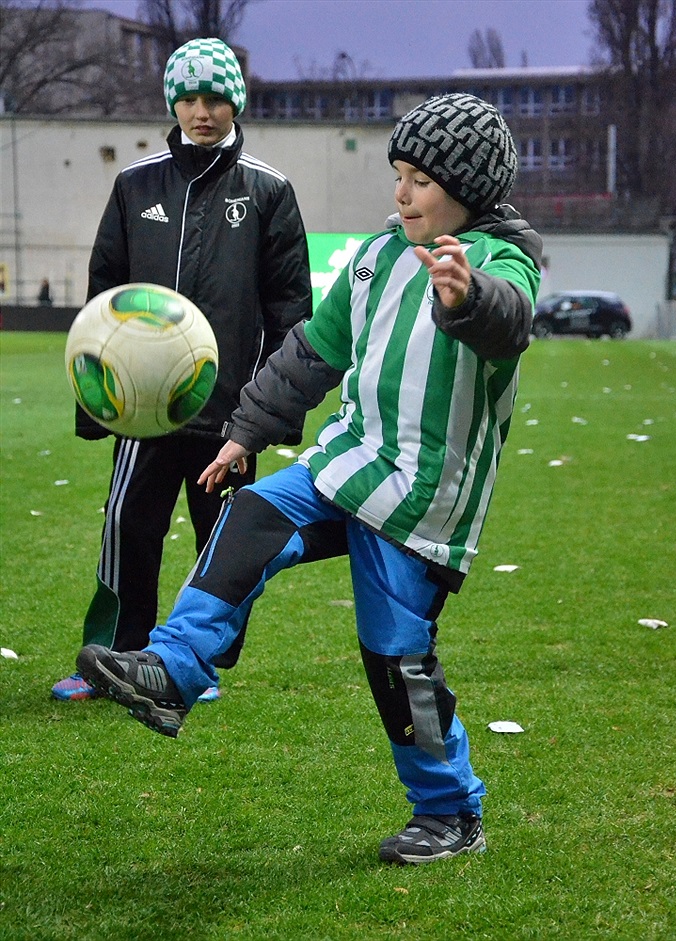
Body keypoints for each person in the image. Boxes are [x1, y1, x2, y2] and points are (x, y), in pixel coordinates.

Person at [77, 93, 542, 865]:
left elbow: (510, 319)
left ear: (470, 187)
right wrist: (243, 432)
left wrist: (466, 297)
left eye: (420, 180)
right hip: (345, 463)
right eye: (397, 174)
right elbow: (308, 356)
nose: (401, 193)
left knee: (395, 655)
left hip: (420, 497)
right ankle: (174, 667)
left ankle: (451, 812)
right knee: (254, 508)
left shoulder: (497, 262)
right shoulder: (375, 255)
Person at [53, 38, 311, 703]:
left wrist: (269, 412)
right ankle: (112, 654)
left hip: (232, 413)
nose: (202, 111)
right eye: (190, 98)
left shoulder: (269, 191)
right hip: (144, 406)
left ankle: (194, 665)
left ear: (236, 102)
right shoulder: (135, 184)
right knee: (126, 527)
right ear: (174, 102)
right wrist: (96, 403)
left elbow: (290, 308)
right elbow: (102, 298)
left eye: (216, 98)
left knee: (224, 541)